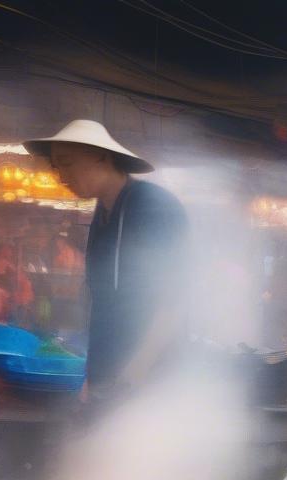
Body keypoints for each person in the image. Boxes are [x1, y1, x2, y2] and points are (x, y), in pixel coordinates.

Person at [24, 120, 188, 392]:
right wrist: (93, 374)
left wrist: (137, 370)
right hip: (110, 368)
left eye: (66, 162)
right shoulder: (103, 211)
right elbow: (101, 299)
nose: (60, 175)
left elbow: (176, 298)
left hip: (149, 373)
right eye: (55, 166)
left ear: (101, 156)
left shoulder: (153, 206)